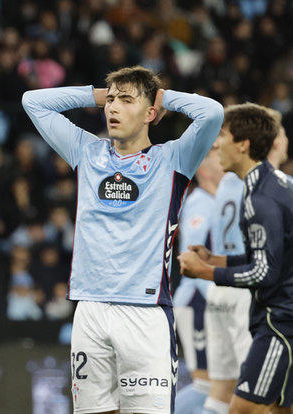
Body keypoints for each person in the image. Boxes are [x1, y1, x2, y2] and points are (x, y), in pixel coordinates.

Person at [22, 65, 224, 413]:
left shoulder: (173, 159)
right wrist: (96, 95)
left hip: (145, 313)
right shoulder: (86, 151)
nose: (113, 108)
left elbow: (212, 113)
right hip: (90, 308)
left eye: (126, 100)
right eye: (111, 100)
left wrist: (161, 97)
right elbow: (33, 101)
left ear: (150, 113)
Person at [179, 103, 292, 414]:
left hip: (280, 320)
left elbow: (264, 271)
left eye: (223, 136)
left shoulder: (259, 196)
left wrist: (205, 272)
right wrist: (216, 260)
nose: (216, 145)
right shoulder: (271, 185)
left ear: (243, 145)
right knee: (275, 408)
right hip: (268, 310)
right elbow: (267, 254)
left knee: (239, 405)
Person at [173, 147, 224, 414]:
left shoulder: (223, 199)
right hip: (198, 301)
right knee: (206, 385)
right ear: (203, 168)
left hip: (215, 301)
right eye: (215, 154)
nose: (222, 157)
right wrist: (219, 295)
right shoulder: (199, 202)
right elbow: (192, 258)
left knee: (223, 384)